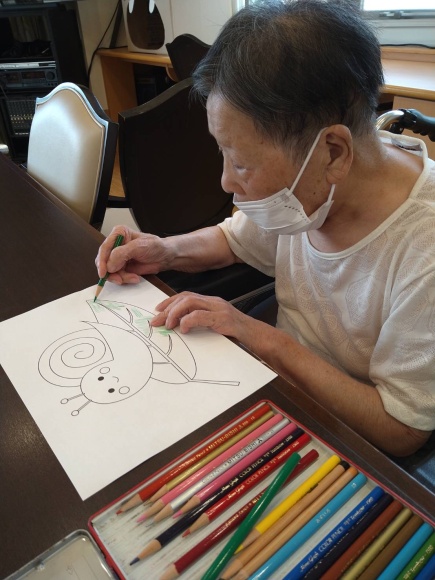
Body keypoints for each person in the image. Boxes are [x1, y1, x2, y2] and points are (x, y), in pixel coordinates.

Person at [96, 0, 435, 457]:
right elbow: (236, 239)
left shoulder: (423, 248)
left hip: (344, 440)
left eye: (241, 163)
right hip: (279, 387)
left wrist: (259, 336)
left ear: (333, 152)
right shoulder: (311, 190)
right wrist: (166, 250)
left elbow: (401, 429)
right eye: (224, 153)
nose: (226, 181)